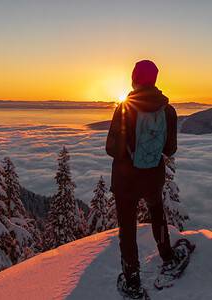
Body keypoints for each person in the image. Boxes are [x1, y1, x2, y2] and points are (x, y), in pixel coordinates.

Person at [106, 60, 179, 298]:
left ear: (134, 79)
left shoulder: (125, 108)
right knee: (157, 214)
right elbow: (170, 149)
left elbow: (112, 148)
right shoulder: (168, 111)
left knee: (127, 228)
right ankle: (167, 256)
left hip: (126, 181)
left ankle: (132, 278)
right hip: (153, 176)